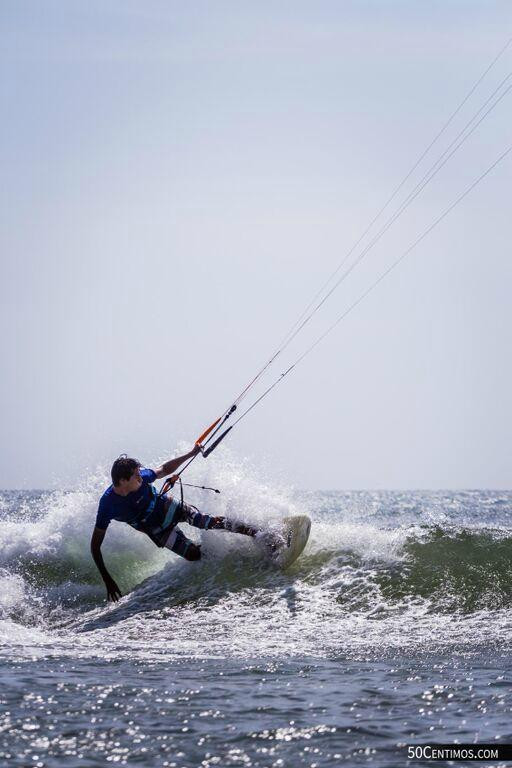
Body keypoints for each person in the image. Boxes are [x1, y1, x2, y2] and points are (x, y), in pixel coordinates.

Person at [90, 449, 261, 602]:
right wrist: (107, 579)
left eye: (139, 473)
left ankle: (257, 532)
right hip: (155, 529)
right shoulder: (107, 505)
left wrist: (191, 453)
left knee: (205, 521)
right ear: (122, 481)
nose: (140, 476)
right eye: (136, 475)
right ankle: (228, 554)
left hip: (167, 507)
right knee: (193, 555)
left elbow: (163, 469)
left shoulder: (142, 478)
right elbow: (95, 546)